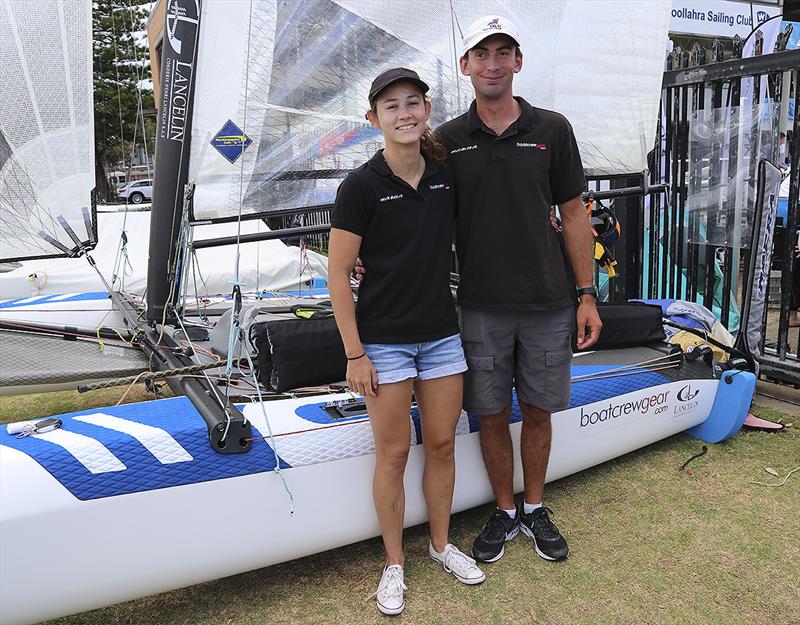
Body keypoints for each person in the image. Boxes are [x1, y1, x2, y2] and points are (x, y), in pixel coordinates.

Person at [434, 15, 602, 564]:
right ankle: (504, 510)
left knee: (536, 410)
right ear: (466, 66)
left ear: (518, 62)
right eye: (481, 54)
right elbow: (423, 215)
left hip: (549, 302)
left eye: (503, 52)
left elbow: (575, 215)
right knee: (487, 413)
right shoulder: (448, 142)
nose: (492, 63)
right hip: (480, 305)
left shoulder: (553, 129)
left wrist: (587, 294)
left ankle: (534, 507)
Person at [327, 68, 485, 617]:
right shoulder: (360, 186)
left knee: (442, 444)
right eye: (391, 106)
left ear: (425, 110)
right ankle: (394, 564)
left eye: (412, 103)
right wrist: (354, 352)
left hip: (442, 336)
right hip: (384, 342)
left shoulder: (444, 175)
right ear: (374, 119)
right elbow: (339, 274)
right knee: (393, 452)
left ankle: (442, 545)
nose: (403, 114)